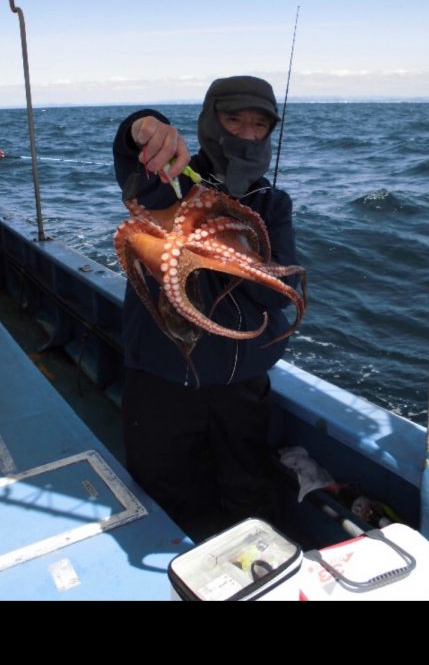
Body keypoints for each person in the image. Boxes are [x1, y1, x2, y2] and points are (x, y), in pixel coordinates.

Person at [113, 75, 303, 538]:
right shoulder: (171, 178)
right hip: (163, 375)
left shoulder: (271, 203)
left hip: (240, 381)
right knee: (166, 486)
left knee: (247, 486)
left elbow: (274, 291)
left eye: (258, 124)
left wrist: (229, 246)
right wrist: (142, 126)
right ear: (208, 119)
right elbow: (134, 165)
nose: (245, 132)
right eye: (232, 118)